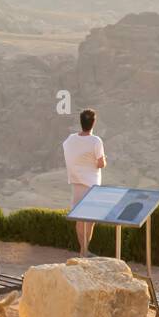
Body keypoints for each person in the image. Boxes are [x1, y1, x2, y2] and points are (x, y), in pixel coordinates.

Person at [62, 108, 106, 257]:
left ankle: (82, 250)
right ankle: (85, 251)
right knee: (90, 220)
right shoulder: (96, 141)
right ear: (93, 123)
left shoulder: (70, 139)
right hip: (92, 185)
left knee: (79, 218)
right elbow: (100, 163)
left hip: (76, 182)